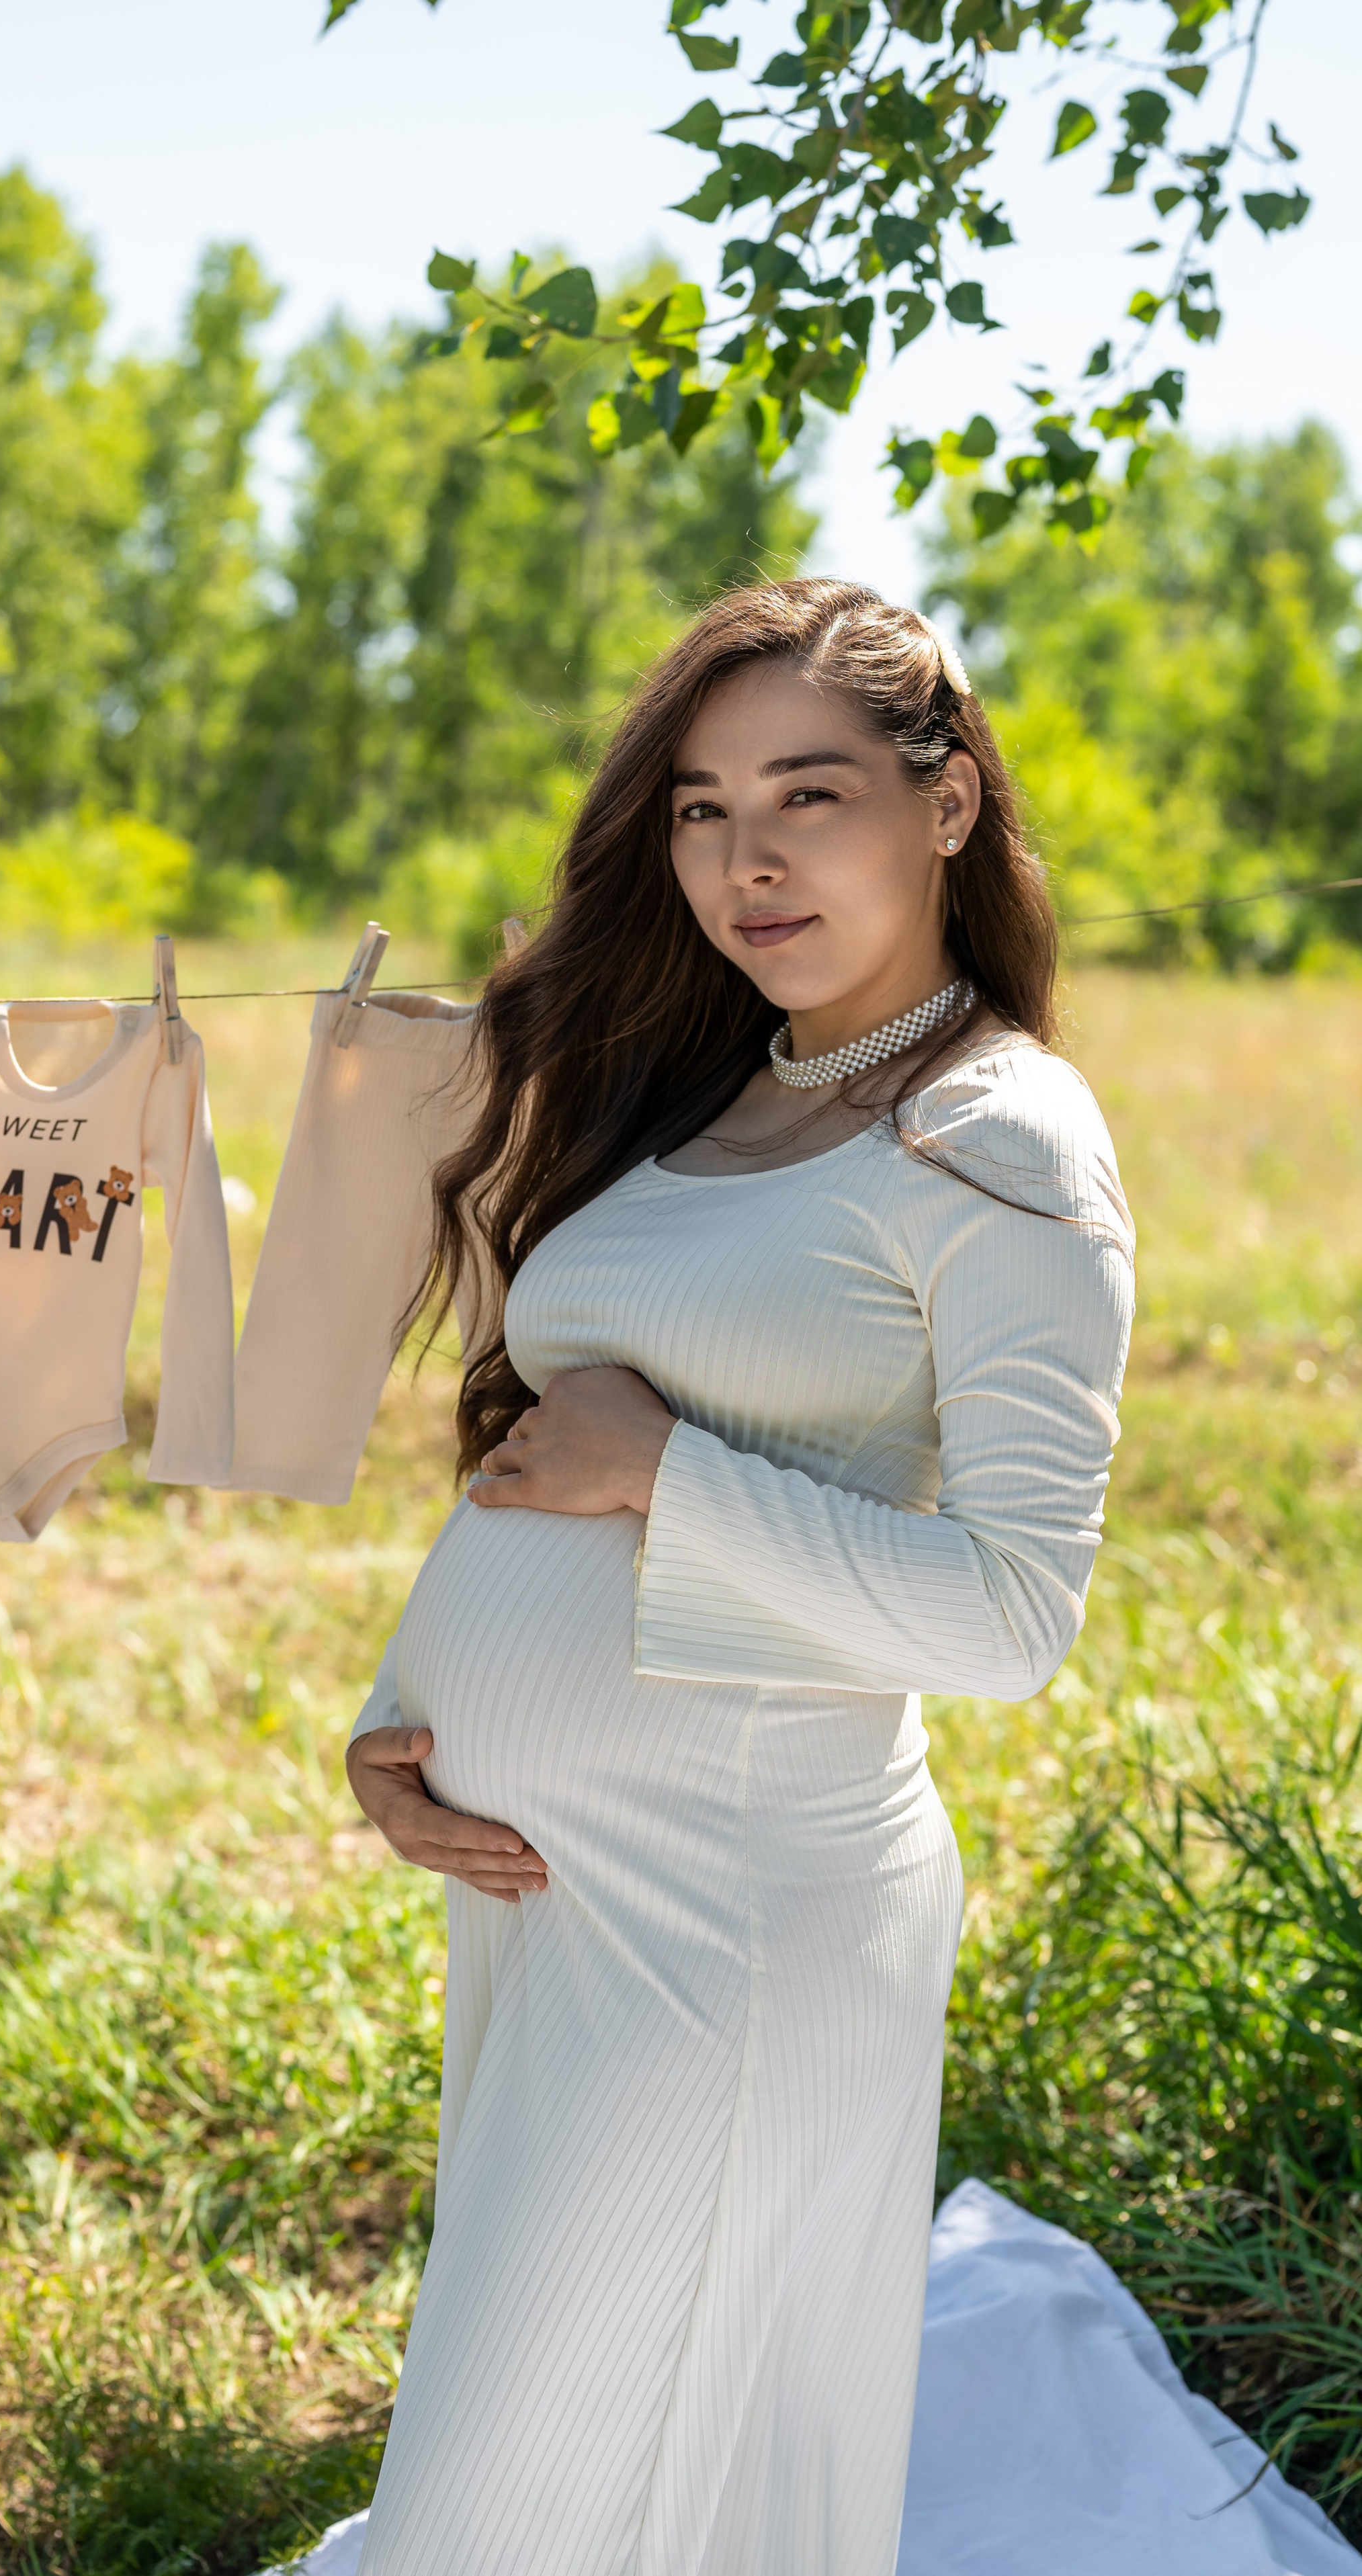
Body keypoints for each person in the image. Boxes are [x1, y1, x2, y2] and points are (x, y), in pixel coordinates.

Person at [342, 577, 1135, 2576]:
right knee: (557, 2456)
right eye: (699, 808)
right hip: (556, 1897)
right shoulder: (723, 1091)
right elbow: (542, 1465)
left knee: (519, 2495)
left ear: (945, 804)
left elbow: (1013, 1615)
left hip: (743, 1919)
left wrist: (670, 1471)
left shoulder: (1005, 1140)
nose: (745, 858)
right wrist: (405, 1720)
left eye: (810, 793)